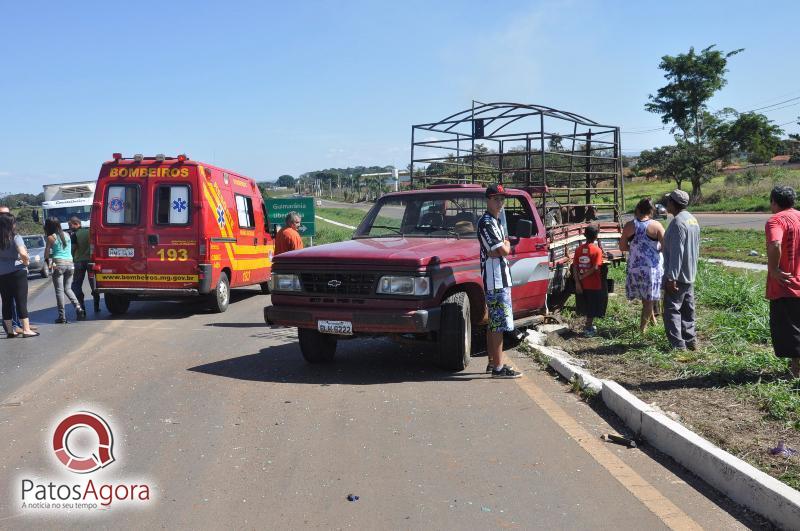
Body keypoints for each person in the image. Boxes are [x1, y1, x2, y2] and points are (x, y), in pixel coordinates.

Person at [478, 184, 522, 378]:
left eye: (502, 199)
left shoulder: (496, 221)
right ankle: (498, 367)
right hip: (495, 280)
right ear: (488, 200)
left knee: (494, 324)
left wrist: (502, 246)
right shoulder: (486, 222)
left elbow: (499, 249)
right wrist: (505, 245)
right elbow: (503, 250)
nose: (500, 202)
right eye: (496, 199)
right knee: (498, 325)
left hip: (500, 278)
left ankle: (492, 363)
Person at [764, 186, 800, 378]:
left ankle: (795, 372)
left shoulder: (775, 220)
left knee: (790, 330)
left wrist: (774, 269)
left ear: (773, 202)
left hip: (788, 285)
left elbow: (775, 243)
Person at [661, 189, 700, 350]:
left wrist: (671, 277)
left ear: (673, 203)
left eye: (668, 201)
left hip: (678, 276)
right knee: (687, 310)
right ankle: (691, 341)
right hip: (690, 273)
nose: (666, 204)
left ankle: (678, 346)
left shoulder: (678, 223)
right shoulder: (692, 220)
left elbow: (677, 252)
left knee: (671, 310)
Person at [620, 198, 665, 333]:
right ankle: (642, 330)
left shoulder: (629, 226)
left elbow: (622, 246)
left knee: (646, 300)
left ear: (637, 210)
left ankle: (653, 322)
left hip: (635, 268)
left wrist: (635, 250)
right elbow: (664, 247)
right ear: (651, 211)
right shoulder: (656, 226)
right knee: (649, 299)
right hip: (651, 269)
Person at [0, 213, 37, 337]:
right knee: (21, 301)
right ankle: (26, 329)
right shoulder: (16, 237)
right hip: (17, 272)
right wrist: (26, 262)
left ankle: (10, 331)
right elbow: (23, 253)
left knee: (6, 302)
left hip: (2, 274)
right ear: (11, 224)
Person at [44, 218, 85, 323]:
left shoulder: (50, 237)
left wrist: (49, 262)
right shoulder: (67, 235)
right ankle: (79, 308)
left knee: (59, 291)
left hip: (59, 264)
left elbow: (46, 254)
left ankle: (62, 317)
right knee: (68, 289)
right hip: (70, 264)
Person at [572, 224, 606, 337]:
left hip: (581, 284)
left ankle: (588, 325)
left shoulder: (578, 250)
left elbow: (575, 266)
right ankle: (588, 328)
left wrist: (577, 282)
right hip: (593, 284)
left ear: (584, 235)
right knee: (592, 307)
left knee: (586, 305)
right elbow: (596, 267)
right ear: (596, 236)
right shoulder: (597, 250)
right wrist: (583, 277)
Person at [68, 217, 100, 312]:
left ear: (76, 224)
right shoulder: (89, 232)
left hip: (79, 262)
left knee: (76, 284)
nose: (70, 228)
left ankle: (81, 306)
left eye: (71, 225)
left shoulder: (74, 235)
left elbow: (73, 249)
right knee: (93, 284)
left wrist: (71, 258)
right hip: (90, 261)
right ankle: (96, 306)